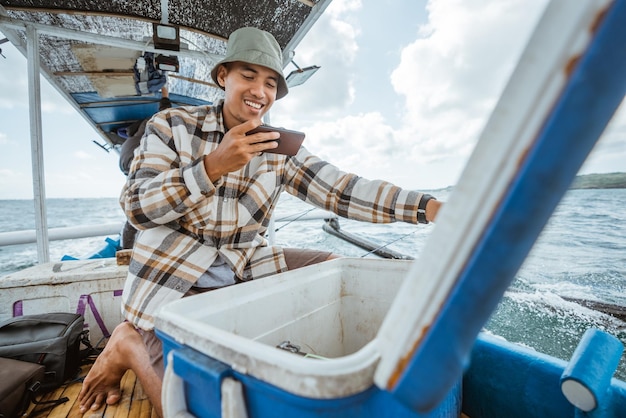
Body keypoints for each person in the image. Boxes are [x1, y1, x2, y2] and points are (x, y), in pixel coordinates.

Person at [78, 27, 442, 416]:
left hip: (242, 265)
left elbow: (342, 190)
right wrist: (212, 166)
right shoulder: (172, 126)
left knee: (334, 271)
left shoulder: (277, 148)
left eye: (270, 83)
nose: (260, 91)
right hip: (170, 279)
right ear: (223, 78)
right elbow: (136, 207)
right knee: (188, 407)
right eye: (248, 76)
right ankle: (128, 342)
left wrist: (428, 208)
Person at [118, 86, 172, 249]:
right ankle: (127, 250)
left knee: (136, 197)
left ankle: (125, 248)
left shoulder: (137, 130)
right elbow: (166, 112)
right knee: (142, 204)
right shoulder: (159, 125)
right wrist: (165, 95)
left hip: (125, 160)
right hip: (137, 159)